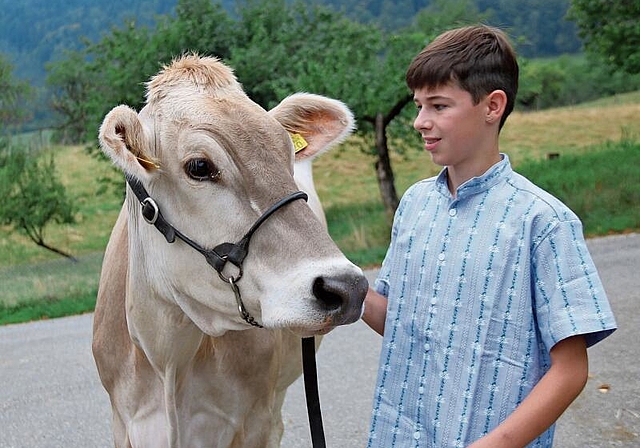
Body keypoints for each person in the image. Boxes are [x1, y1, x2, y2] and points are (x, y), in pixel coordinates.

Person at [362, 24, 617, 448]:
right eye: (419, 105)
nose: (419, 122)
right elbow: (400, 325)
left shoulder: (544, 221)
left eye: (439, 105)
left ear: (492, 106)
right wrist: (337, 283)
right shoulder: (414, 204)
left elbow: (570, 370)